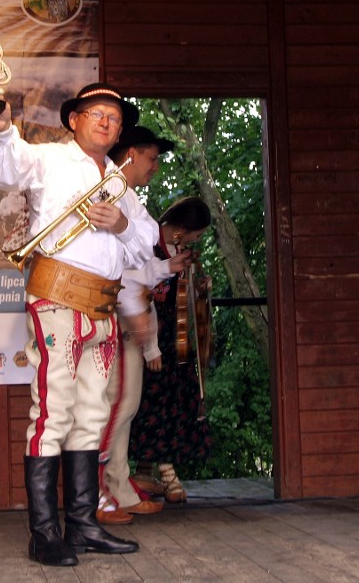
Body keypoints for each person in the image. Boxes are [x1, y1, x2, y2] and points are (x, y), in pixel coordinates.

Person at [0, 82, 157, 567]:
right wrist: (0, 130)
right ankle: (44, 534)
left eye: (114, 118)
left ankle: (83, 525)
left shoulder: (117, 182)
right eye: (96, 113)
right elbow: (5, 165)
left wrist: (120, 225)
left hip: (101, 308)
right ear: (74, 119)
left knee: (93, 414)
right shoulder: (51, 159)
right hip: (57, 299)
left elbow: (147, 239)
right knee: (53, 411)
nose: (106, 122)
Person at [94, 126, 187, 524]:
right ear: (131, 154)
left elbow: (137, 262)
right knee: (115, 405)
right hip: (114, 314)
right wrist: (133, 311)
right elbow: (118, 267)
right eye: (152, 158)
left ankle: (117, 484)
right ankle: (99, 491)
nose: (156, 166)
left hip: (125, 314)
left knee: (125, 406)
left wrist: (168, 266)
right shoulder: (111, 191)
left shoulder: (128, 196)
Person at [126, 196, 213, 507]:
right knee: (152, 400)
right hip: (147, 326)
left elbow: (185, 293)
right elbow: (137, 287)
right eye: (197, 233)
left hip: (177, 335)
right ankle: (168, 473)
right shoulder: (147, 240)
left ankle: (147, 471)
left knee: (173, 397)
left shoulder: (181, 252)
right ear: (183, 228)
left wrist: (200, 289)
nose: (196, 240)